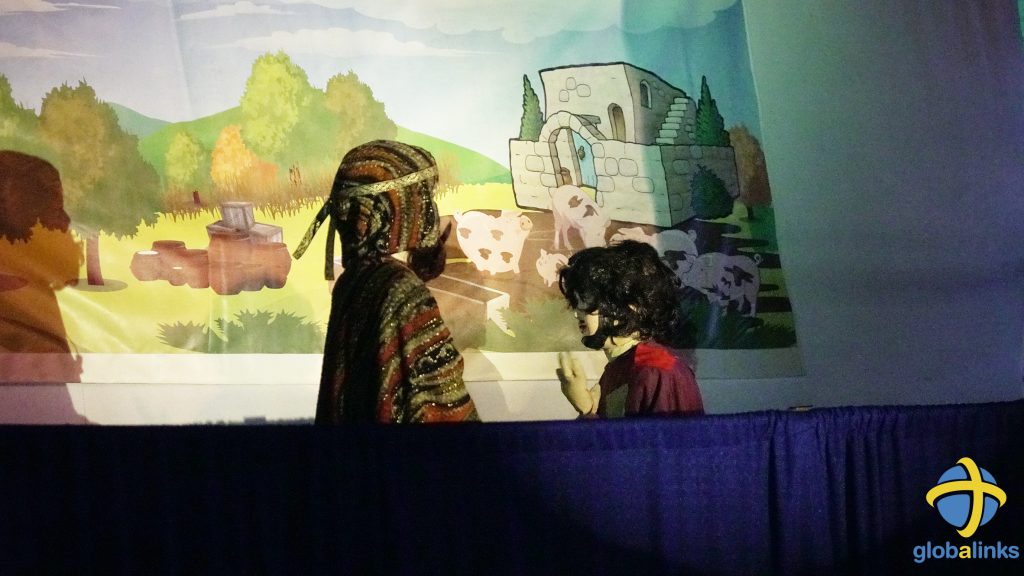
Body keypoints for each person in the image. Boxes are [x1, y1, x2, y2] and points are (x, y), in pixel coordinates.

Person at [293, 140, 478, 423]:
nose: (431, 209)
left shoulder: (354, 279)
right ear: (389, 209)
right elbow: (442, 404)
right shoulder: (403, 291)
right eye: (423, 196)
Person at [555, 239, 704, 418]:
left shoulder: (657, 370)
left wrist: (587, 412)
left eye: (586, 301)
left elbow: (662, 436)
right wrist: (587, 410)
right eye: (577, 302)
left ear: (629, 306)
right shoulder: (619, 368)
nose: (576, 314)